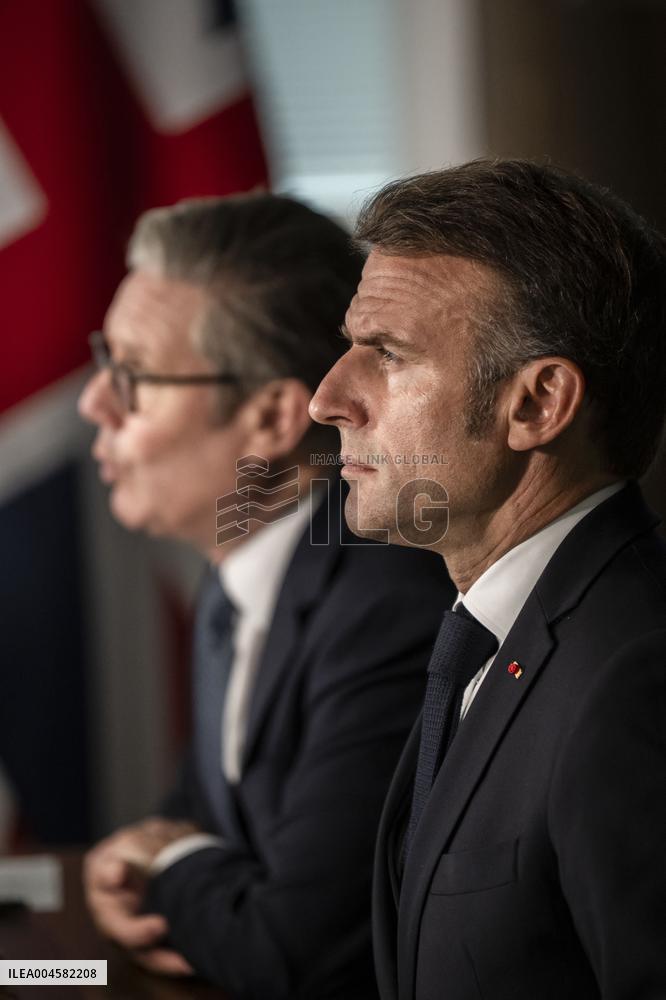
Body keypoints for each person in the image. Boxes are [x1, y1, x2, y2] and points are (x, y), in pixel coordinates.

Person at [79, 193, 454, 1000]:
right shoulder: (240, 577)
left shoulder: (385, 606)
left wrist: (165, 866)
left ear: (271, 416)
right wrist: (143, 863)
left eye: (132, 374)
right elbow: (206, 816)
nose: (93, 403)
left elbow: (294, 950)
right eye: (105, 360)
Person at [309, 159, 666, 1000]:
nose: (328, 398)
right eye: (350, 347)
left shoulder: (637, 675)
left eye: (387, 354)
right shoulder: (492, 632)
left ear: (537, 404)